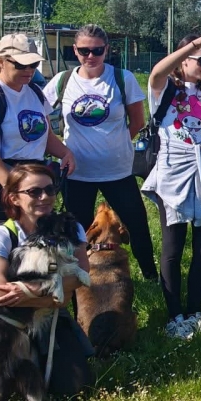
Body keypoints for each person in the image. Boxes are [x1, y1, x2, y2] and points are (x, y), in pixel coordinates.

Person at [41, 25, 153, 280]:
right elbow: (39, 113)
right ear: (75, 50)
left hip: (118, 170)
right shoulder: (63, 80)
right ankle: (81, 280)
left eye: (97, 51)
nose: (90, 56)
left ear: (106, 50)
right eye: (83, 50)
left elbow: (137, 121)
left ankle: (150, 277)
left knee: (137, 226)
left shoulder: (123, 78)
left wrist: (116, 143)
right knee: (78, 233)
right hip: (77, 173)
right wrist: (58, 147)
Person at [142, 30, 201, 338]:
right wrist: (193, 44)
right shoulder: (164, 89)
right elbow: (156, 72)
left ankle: (194, 311)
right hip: (173, 177)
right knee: (172, 248)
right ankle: (174, 315)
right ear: (184, 60)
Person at [0, 164, 93, 399]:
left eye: (50, 190)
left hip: (50, 319)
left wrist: (28, 293)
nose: (45, 197)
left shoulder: (72, 228)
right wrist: (51, 294)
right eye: (34, 192)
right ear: (14, 198)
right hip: (4, 323)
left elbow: (80, 276)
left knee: (73, 387)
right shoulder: (2, 236)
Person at [0, 34, 75, 234]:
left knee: (34, 251)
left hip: (30, 181)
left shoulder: (35, 92)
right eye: (21, 65)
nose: (29, 70)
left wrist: (66, 153)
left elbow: (46, 136)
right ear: (2, 62)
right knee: (0, 251)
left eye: (33, 65)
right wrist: (13, 187)